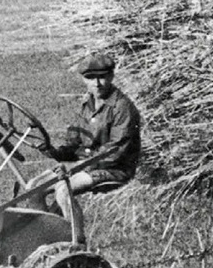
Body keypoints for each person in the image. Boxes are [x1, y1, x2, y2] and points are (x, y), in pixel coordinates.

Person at [26, 52, 141, 238]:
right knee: (34, 186)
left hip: (114, 169)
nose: (97, 84)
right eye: (90, 78)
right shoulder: (87, 103)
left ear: (111, 76)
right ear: (83, 79)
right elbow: (74, 142)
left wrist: (76, 166)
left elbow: (115, 152)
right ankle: (44, 235)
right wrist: (55, 152)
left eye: (102, 77)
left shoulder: (123, 108)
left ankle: (76, 243)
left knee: (64, 189)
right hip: (84, 165)